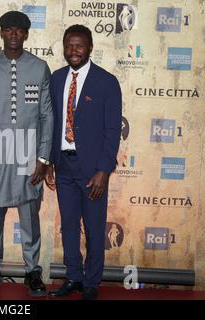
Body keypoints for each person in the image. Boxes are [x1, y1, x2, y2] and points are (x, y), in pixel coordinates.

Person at [0, 11, 53, 297]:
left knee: (30, 217)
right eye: (8, 30)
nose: (14, 35)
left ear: (26, 34)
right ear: (2, 33)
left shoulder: (40, 67)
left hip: (28, 159)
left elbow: (46, 116)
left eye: (19, 30)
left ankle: (32, 271)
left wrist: (43, 159)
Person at [45, 24, 122, 300]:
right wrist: (50, 162)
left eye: (79, 46)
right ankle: (74, 277)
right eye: (69, 45)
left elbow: (112, 131)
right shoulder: (55, 79)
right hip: (63, 166)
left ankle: (92, 282)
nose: (73, 51)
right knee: (68, 226)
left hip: (92, 170)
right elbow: (51, 123)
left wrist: (104, 170)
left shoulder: (107, 82)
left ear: (89, 47)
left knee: (93, 227)